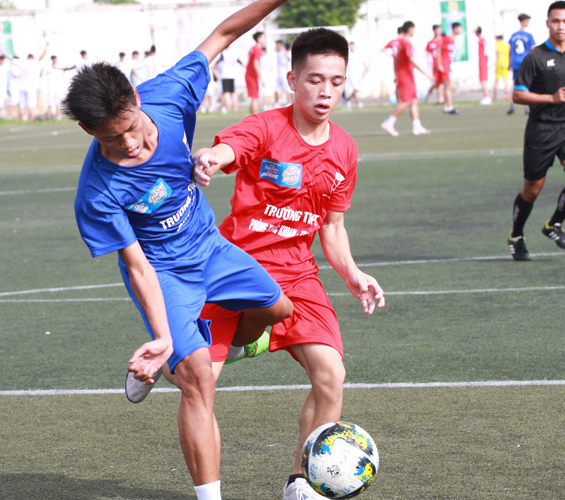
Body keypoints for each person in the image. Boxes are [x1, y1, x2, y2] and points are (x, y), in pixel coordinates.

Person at [61, 2, 291, 499]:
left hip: (211, 246)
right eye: (111, 139)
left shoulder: (168, 93)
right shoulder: (97, 192)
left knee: (278, 310)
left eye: (131, 127)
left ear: (136, 98)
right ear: (88, 131)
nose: (129, 144)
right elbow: (137, 266)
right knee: (198, 380)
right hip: (165, 272)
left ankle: (189, 358)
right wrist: (163, 336)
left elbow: (223, 34)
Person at [193, 27, 385, 500]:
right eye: (315, 80)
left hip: (297, 274)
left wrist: (353, 273)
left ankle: (300, 481)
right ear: (293, 80)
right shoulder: (265, 127)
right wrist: (211, 158)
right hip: (234, 269)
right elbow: (230, 148)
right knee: (198, 382)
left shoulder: (344, 149)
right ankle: (174, 352)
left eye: (336, 82)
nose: (325, 92)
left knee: (331, 376)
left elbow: (332, 227)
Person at [507, 1, 565, 262]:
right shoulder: (535, 57)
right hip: (541, 130)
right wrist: (551, 98)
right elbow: (517, 95)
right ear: (547, 23)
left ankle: (554, 224)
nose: (560, 26)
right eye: (556, 21)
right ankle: (516, 236)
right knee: (532, 191)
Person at [381, 20, 432, 136]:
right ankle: (389, 122)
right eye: (413, 29)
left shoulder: (399, 43)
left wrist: (396, 74)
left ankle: (417, 126)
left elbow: (397, 60)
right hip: (405, 76)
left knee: (414, 100)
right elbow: (410, 59)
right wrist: (425, 73)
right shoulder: (405, 43)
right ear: (410, 29)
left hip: (406, 75)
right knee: (406, 101)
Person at [507, 13, 536, 115]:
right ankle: (528, 106)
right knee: (528, 82)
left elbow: (510, 49)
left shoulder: (514, 35)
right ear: (523, 21)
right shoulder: (528, 35)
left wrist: (509, 63)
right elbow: (533, 49)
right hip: (525, 61)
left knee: (515, 82)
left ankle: (512, 104)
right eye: (527, 20)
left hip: (515, 61)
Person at [437, 22, 462, 114]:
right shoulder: (447, 38)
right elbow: (439, 50)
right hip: (444, 65)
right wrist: (439, 64)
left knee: (446, 86)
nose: (460, 30)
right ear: (455, 29)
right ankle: (450, 107)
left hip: (448, 66)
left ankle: (446, 106)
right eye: (459, 28)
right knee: (448, 86)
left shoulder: (453, 40)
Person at [245, 30, 266, 113]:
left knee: (254, 98)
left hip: (249, 75)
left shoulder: (253, 48)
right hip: (252, 76)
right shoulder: (257, 49)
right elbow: (255, 64)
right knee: (255, 98)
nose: (265, 39)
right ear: (258, 38)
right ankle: (254, 117)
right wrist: (261, 78)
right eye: (264, 37)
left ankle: (252, 116)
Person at [345, 40, 368, 109]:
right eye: (350, 46)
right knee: (355, 89)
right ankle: (359, 102)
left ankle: (348, 100)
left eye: (352, 46)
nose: (352, 47)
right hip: (350, 75)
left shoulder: (357, 54)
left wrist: (366, 68)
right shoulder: (348, 55)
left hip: (357, 75)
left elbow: (362, 61)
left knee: (356, 89)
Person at [424, 24, 444, 104]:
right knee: (436, 83)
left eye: (440, 30)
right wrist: (427, 65)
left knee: (442, 82)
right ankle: (435, 97)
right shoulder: (430, 43)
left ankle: (441, 99)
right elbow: (427, 54)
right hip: (434, 65)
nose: (439, 31)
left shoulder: (443, 41)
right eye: (438, 30)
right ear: (434, 30)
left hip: (443, 64)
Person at [475, 26, 491, 104]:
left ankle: (487, 97)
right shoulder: (482, 40)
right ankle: (486, 97)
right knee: (482, 80)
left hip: (483, 62)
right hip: (483, 62)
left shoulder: (480, 40)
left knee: (483, 80)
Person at [493, 34, 511, 100]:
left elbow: (499, 53)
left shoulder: (498, 44)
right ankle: (506, 94)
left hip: (499, 65)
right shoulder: (507, 45)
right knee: (505, 80)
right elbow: (509, 54)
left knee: (496, 80)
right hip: (506, 64)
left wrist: (500, 63)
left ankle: (495, 95)